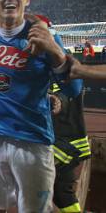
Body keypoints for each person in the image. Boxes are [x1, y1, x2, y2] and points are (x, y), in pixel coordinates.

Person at [0, 0, 83, 213]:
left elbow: (74, 87)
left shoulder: (45, 35)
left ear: (27, 0)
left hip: (34, 142)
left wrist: (55, 51)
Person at [50, 83, 90, 213]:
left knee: (35, 189)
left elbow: (64, 96)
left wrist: (58, 100)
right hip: (63, 143)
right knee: (62, 193)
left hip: (61, 142)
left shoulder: (66, 72)